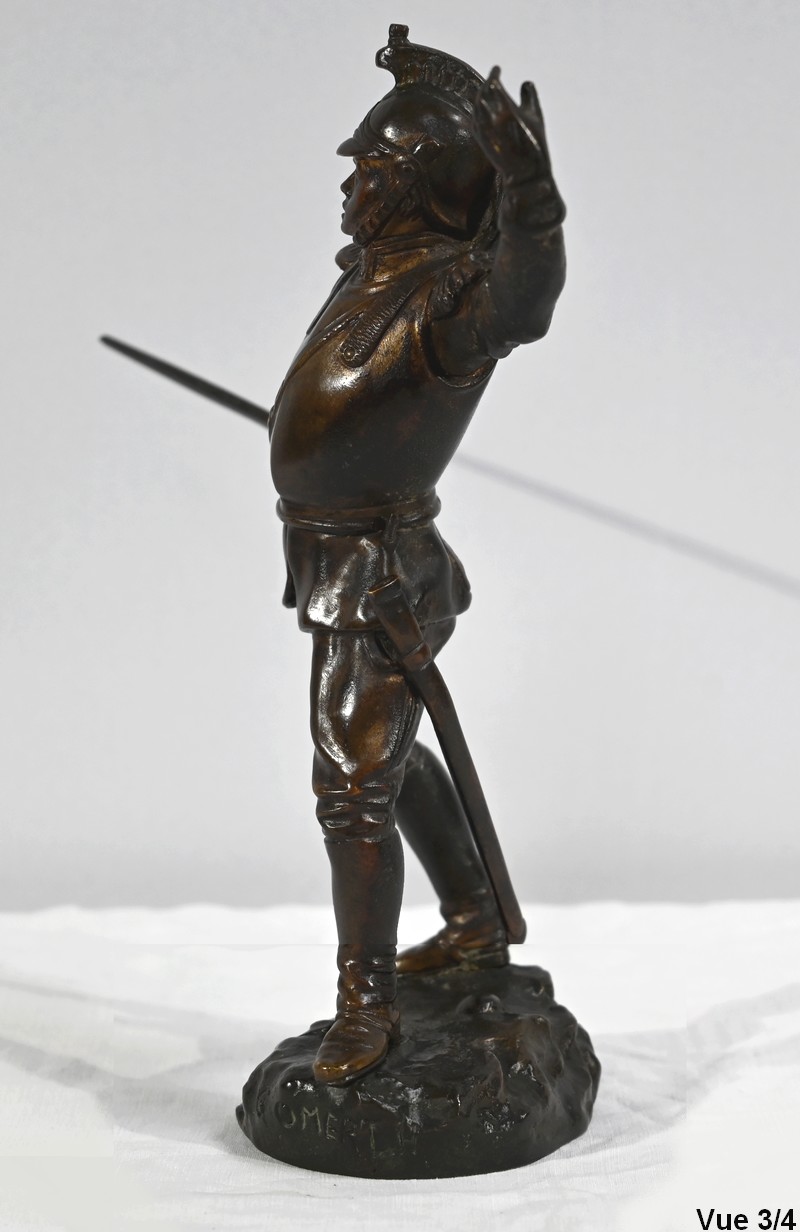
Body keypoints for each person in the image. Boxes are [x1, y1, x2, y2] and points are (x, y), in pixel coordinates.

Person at [268, 24, 566, 1085]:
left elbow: (525, 297)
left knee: (351, 788)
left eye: (374, 170)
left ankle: (366, 1005)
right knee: (386, 761)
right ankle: (475, 917)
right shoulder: (375, 271)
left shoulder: (448, 296)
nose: (352, 185)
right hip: (337, 556)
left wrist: (531, 201)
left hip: (380, 573)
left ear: (421, 187)